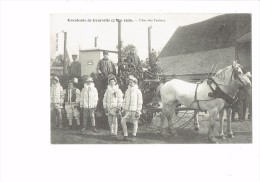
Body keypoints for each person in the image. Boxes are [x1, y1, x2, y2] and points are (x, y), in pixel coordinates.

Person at [121, 75, 143, 141]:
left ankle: (134, 135)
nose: (130, 83)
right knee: (122, 121)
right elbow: (124, 100)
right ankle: (125, 135)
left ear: (135, 83)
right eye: (129, 82)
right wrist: (123, 109)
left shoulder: (138, 91)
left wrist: (138, 111)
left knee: (135, 123)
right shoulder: (127, 91)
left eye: (132, 82)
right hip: (127, 109)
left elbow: (140, 102)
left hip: (134, 110)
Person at [103, 74, 123, 139]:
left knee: (115, 120)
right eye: (110, 82)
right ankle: (111, 131)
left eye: (113, 82)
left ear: (115, 82)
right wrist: (105, 106)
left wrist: (119, 107)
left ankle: (115, 132)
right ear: (109, 83)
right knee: (110, 120)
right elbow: (104, 99)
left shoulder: (118, 90)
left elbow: (120, 99)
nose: (112, 83)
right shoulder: (107, 90)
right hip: (109, 107)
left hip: (115, 107)